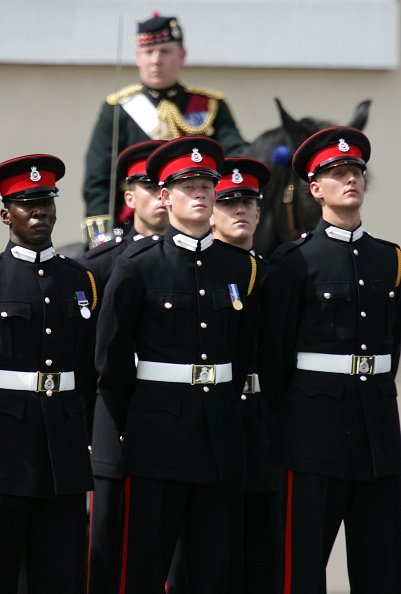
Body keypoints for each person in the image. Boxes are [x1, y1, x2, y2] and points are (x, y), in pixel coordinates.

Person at [95, 136, 260, 594]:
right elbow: (109, 361)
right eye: (189, 185)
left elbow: (244, 350)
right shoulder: (137, 266)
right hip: (157, 437)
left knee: (212, 571)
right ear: (165, 197)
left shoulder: (239, 267)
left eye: (208, 183)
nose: (203, 193)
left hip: (218, 438)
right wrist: (138, 422)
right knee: (143, 567)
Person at [259, 127, 401, 594]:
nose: (351, 180)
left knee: (381, 567)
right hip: (311, 434)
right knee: (300, 569)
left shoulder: (390, 259)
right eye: (338, 173)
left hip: (376, 432)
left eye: (357, 171)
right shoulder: (293, 262)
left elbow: (390, 348)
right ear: (315, 189)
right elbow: (274, 357)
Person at [0, 154, 97, 594]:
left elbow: (92, 368)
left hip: (63, 450)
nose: (40, 212)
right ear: (6, 214)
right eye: (26, 203)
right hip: (7, 449)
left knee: (60, 573)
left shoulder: (81, 280)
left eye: (46, 202)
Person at [81, 139, 169, 594]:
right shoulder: (98, 263)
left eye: (165, 185)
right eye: (147, 186)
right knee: (106, 541)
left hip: (172, 420)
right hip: (112, 419)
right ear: (129, 197)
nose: (159, 194)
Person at [82, 12, 248, 242]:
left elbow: (236, 153)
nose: (156, 60)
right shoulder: (119, 108)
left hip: (199, 222)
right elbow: (98, 176)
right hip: (134, 224)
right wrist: (100, 232)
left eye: (165, 51)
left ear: (182, 55)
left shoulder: (209, 105)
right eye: (148, 52)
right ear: (138, 58)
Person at [211, 157, 283, 594]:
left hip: (263, 427)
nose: (240, 209)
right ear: (212, 210)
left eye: (248, 201)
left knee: (265, 559)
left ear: (260, 211)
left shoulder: (278, 274)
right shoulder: (198, 273)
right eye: (228, 201)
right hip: (212, 421)